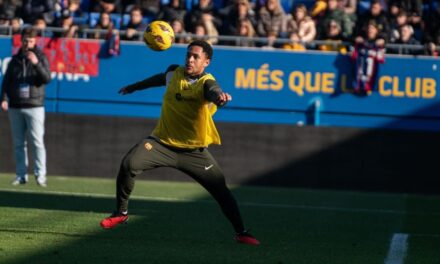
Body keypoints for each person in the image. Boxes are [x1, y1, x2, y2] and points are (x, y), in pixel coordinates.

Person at [100, 40, 260, 246]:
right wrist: (133, 87)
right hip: (161, 144)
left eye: (196, 57)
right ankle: (121, 213)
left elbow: (214, 91)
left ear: (206, 62)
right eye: (188, 55)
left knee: (222, 191)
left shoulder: (206, 83)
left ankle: (241, 232)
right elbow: (157, 79)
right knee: (129, 164)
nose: (190, 59)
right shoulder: (173, 73)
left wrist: (220, 98)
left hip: (194, 152)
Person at [0, 28, 51, 187]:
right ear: (21, 41)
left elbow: (46, 78)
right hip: (15, 105)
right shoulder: (15, 60)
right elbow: (7, 81)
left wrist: (36, 64)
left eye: (30, 41)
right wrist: (3, 98)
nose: (27, 44)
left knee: (37, 141)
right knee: (18, 143)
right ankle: (21, 175)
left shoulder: (41, 57)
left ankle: (40, 174)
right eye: (25, 41)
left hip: (34, 105)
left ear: (35, 41)